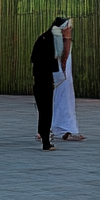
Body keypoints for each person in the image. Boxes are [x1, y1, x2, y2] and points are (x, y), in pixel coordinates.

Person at [31, 17, 69, 149]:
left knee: (43, 111)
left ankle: (44, 136)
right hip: (44, 80)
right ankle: (46, 142)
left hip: (40, 79)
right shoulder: (51, 40)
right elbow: (53, 59)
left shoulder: (45, 38)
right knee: (46, 111)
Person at [48, 18, 84, 142]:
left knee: (65, 100)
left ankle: (66, 129)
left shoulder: (63, 40)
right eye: (68, 27)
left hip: (64, 78)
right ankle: (48, 130)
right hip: (59, 76)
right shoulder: (57, 40)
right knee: (55, 100)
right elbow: (62, 58)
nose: (70, 29)